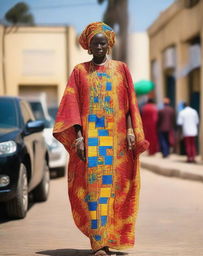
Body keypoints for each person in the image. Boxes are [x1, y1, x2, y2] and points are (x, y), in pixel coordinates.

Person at [53, 22, 149, 256]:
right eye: (95, 43)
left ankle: (111, 238)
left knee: (115, 191)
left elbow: (129, 106)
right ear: (88, 46)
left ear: (109, 45)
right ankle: (99, 244)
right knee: (95, 191)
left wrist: (129, 131)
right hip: (93, 143)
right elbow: (71, 107)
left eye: (103, 42)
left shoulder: (121, 69)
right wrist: (78, 139)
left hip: (117, 145)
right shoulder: (79, 71)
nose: (99, 46)